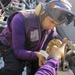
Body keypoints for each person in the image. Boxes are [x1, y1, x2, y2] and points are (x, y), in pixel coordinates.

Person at [0, 0, 74, 75]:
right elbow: (18, 51)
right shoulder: (20, 19)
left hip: (32, 49)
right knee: (14, 68)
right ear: (43, 13)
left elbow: (43, 50)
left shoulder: (51, 30)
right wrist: (36, 54)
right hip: (10, 46)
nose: (52, 27)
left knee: (40, 66)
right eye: (51, 21)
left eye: (55, 25)